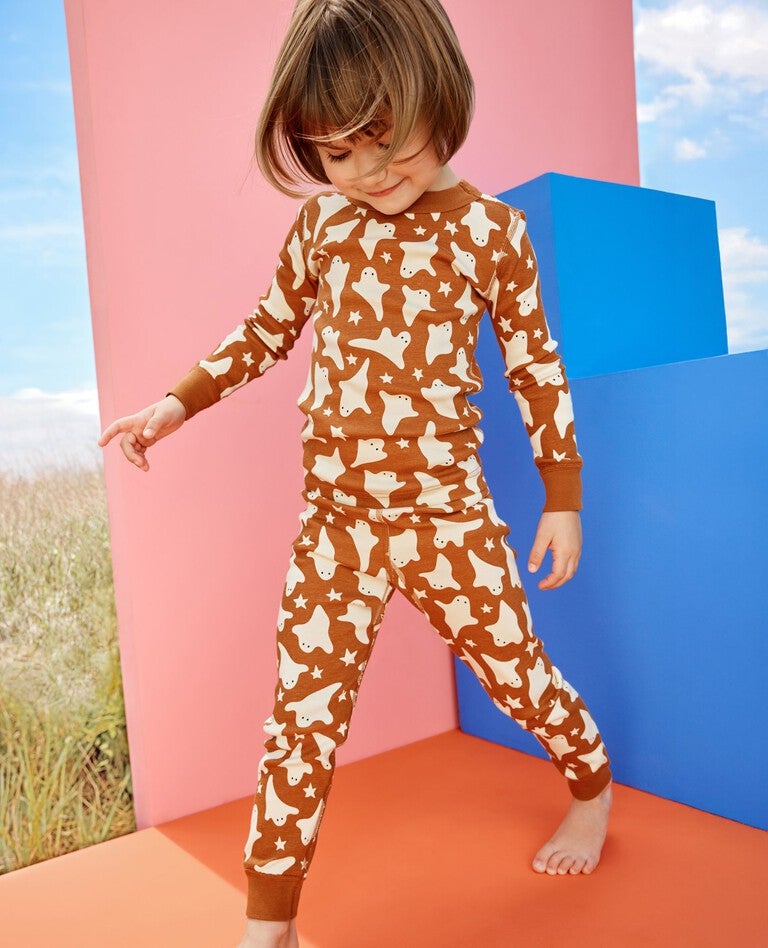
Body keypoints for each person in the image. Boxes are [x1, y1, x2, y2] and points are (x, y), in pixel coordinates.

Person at [99, 1, 613, 945]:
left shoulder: (492, 233)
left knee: (519, 677)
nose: (370, 173)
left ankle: (591, 784)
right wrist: (176, 403)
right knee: (299, 723)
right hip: (337, 524)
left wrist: (563, 498)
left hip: (448, 519)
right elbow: (267, 329)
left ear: (439, 98)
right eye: (339, 154)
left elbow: (537, 368)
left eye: (387, 142)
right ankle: (270, 923)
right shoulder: (323, 227)